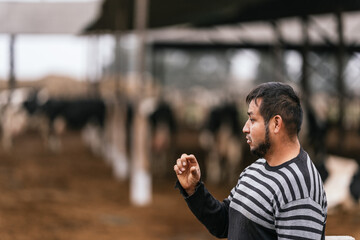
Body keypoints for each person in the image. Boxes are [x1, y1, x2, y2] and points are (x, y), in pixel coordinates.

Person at [174, 82, 327, 240]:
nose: (245, 128)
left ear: (276, 124)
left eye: (252, 120)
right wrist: (194, 189)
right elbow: (225, 222)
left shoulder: (300, 190)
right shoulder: (256, 168)